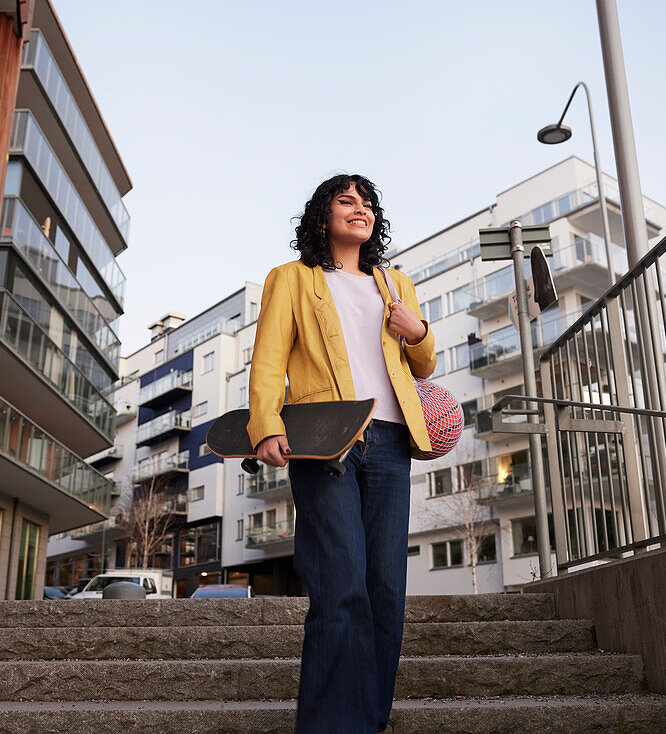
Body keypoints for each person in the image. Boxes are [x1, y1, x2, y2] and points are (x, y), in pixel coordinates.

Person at [247, 174, 436, 733]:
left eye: (368, 203)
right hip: (326, 439)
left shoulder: (395, 282)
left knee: (386, 588)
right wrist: (265, 424)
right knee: (339, 582)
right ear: (322, 216)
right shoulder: (291, 279)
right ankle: (333, 724)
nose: (361, 209)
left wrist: (416, 328)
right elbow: (268, 359)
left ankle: (369, 717)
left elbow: (421, 365)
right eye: (346, 201)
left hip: (391, 439)